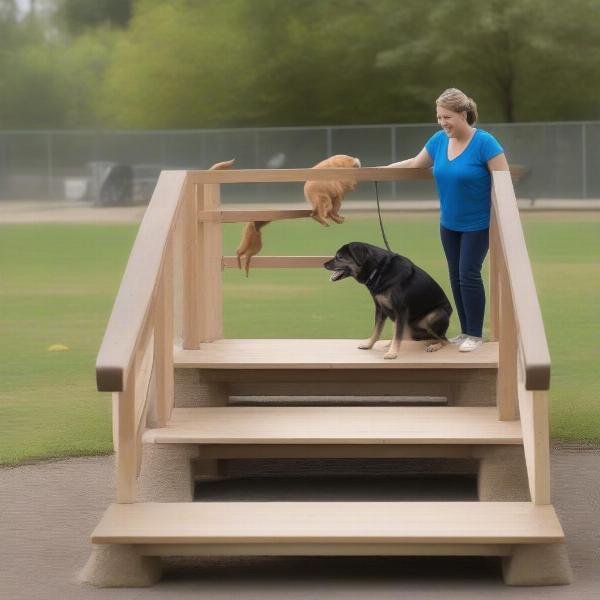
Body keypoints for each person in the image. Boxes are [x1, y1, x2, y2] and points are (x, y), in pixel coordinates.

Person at [386, 88, 509, 352]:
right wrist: (381, 171)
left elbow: (503, 180)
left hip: (479, 224)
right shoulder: (439, 140)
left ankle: (475, 335)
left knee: (468, 273)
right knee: (455, 275)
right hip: (449, 224)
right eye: (439, 117)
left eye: (447, 117)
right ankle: (464, 331)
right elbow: (416, 164)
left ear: (463, 114)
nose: (443, 123)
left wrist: (506, 218)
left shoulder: (485, 142)